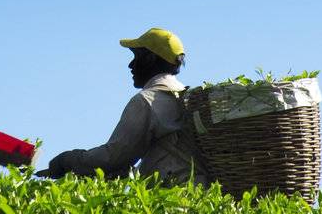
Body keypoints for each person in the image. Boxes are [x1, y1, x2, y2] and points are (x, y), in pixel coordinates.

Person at [39, 27, 209, 185]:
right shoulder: (186, 99)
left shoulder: (147, 100)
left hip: (174, 200)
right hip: (201, 195)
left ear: (150, 59)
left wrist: (67, 160)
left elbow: (113, 157)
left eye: (136, 57)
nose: (131, 65)